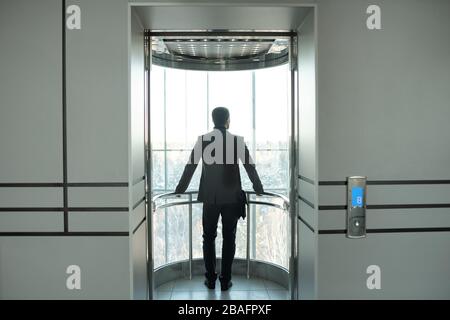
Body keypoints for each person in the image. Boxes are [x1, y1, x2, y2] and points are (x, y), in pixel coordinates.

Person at [175, 106, 264, 291]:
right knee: (229, 238)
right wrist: (259, 188)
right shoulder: (237, 141)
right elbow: (250, 167)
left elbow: (190, 167)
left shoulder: (203, 140)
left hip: (210, 198)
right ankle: (225, 280)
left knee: (208, 238)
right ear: (228, 120)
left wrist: (179, 189)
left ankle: (210, 279)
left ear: (213, 120)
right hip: (232, 198)